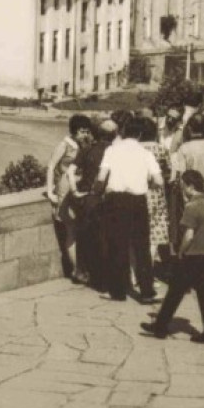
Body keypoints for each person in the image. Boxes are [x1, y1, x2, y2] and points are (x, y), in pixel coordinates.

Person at [140, 169, 204, 347]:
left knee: (174, 292)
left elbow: (189, 235)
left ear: (190, 187)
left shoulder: (192, 207)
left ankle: (160, 327)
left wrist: (180, 252)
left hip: (192, 256)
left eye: (184, 186)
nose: (183, 189)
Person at [96, 114, 162, 303]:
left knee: (117, 246)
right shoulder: (145, 153)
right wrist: (145, 184)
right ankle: (147, 291)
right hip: (138, 201)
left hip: (116, 200)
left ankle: (117, 292)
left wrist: (98, 194)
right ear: (140, 134)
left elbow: (101, 178)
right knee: (141, 247)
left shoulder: (112, 150)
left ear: (123, 132)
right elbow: (159, 181)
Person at [45, 114, 92, 282]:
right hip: (66, 188)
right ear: (74, 131)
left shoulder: (85, 144)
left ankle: (82, 268)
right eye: (81, 131)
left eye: (87, 131)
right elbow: (51, 166)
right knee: (71, 229)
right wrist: (50, 190)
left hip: (80, 188)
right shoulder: (64, 145)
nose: (84, 134)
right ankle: (76, 270)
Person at [74, 116, 116, 287]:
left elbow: (71, 171)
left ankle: (85, 273)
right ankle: (105, 278)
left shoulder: (88, 150)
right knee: (107, 238)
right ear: (114, 135)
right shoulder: (116, 151)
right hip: (110, 198)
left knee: (87, 237)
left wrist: (75, 191)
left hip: (89, 197)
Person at [141, 114, 177, 267]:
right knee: (154, 235)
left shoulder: (135, 149)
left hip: (136, 192)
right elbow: (171, 172)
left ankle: (134, 272)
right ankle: (148, 271)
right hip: (156, 194)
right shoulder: (160, 149)